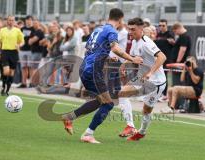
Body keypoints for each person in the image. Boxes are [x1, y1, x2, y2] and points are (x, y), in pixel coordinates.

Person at [60, 8, 143, 144]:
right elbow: (115, 48)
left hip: (85, 67)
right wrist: (133, 59)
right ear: (121, 19)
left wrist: (108, 59)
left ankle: (70, 117)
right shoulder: (112, 31)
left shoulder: (98, 29)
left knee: (100, 101)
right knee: (109, 103)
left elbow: (92, 50)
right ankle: (88, 134)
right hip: (93, 70)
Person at [118, 17, 166, 141]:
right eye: (129, 29)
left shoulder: (146, 43)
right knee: (122, 93)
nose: (130, 32)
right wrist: (125, 64)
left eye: (133, 29)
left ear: (141, 29)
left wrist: (150, 72)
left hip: (156, 82)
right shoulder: (134, 42)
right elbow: (136, 57)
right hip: (142, 78)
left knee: (146, 110)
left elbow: (162, 57)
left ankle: (142, 132)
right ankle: (130, 126)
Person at [0, 16, 24, 96]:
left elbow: (22, 41)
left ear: (14, 21)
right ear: (7, 21)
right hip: (5, 52)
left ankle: (7, 90)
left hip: (14, 53)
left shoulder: (17, 31)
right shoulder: (2, 30)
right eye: (9, 20)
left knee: (11, 73)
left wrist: (19, 45)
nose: (11, 21)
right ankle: (3, 86)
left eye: (12, 20)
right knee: (6, 71)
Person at [171, 22, 191, 109]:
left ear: (178, 28)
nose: (175, 34)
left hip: (180, 65)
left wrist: (177, 62)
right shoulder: (183, 37)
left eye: (175, 31)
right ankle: (178, 104)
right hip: (180, 64)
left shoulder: (184, 37)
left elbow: (182, 50)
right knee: (177, 84)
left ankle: (181, 104)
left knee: (178, 84)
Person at [155, 19, 175, 101]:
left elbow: (173, 42)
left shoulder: (170, 34)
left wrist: (170, 41)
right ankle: (159, 93)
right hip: (158, 58)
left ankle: (164, 94)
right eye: (160, 25)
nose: (161, 27)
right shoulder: (158, 34)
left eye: (163, 25)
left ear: (166, 26)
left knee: (164, 76)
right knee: (157, 76)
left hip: (166, 58)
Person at [18, 16, 34, 88]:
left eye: (30, 20)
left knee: (30, 67)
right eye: (27, 20)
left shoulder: (34, 29)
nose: (28, 21)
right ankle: (23, 83)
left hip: (30, 50)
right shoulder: (22, 29)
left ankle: (31, 82)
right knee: (23, 67)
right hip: (22, 50)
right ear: (25, 21)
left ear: (32, 21)